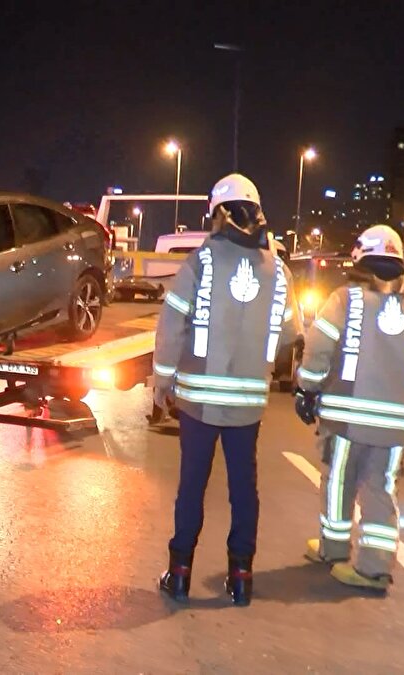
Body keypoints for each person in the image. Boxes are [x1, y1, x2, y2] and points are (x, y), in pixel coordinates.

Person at [152, 174, 302, 606]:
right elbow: (292, 333)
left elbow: (173, 324)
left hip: (198, 400)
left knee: (192, 487)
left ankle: (179, 573)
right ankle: (241, 578)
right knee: (243, 490)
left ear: (218, 213)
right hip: (249, 404)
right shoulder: (279, 270)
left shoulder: (203, 260)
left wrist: (162, 380)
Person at [296, 224, 404, 591]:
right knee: (381, 488)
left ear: (362, 258)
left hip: (346, 418)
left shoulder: (345, 300)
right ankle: (375, 567)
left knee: (339, 481)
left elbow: (319, 348)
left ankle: (333, 549)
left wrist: (308, 389)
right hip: (396, 425)